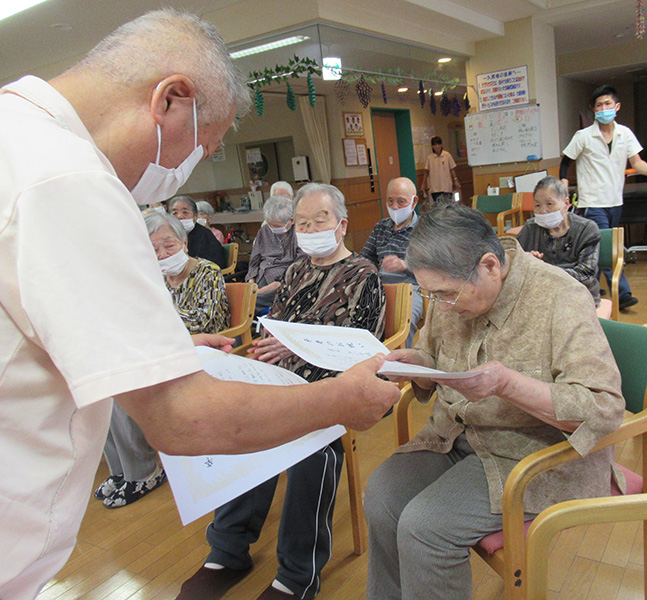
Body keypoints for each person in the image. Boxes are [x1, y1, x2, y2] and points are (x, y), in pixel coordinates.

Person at [0, 10, 398, 599]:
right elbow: (182, 416)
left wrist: (174, 349)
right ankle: (228, 550)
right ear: (171, 100)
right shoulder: (69, 181)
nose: (184, 171)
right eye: (202, 146)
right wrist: (341, 400)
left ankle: (295, 572)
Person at [364, 204, 624, 600]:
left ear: (490, 266)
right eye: (432, 295)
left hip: (532, 451)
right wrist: (416, 363)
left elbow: (602, 408)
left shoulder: (559, 296)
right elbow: (435, 357)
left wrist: (506, 384)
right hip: (456, 434)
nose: (442, 305)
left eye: (447, 294)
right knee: (381, 496)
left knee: (425, 526)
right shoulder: (448, 292)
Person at [179, 183, 385, 600]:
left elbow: (363, 345)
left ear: (341, 225)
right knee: (239, 428)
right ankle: (227, 551)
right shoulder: (294, 272)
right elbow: (275, 331)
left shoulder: (363, 273)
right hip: (281, 382)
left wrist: (294, 345)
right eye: (302, 223)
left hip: (332, 388)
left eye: (319, 221)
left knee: (314, 449)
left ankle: (297, 575)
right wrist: (259, 353)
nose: (309, 229)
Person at [98, 212, 231, 509]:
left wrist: (159, 315)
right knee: (103, 381)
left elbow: (204, 320)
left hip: (202, 350)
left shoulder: (206, 271)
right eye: (154, 250)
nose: (162, 254)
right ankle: (120, 469)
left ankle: (143, 472)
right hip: (163, 349)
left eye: (168, 245)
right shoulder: (154, 278)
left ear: (184, 241)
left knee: (125, 385)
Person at [560, 84, 647, 310]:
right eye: (599, 105)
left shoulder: (624, 133)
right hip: (592, 202)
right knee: (605, 248)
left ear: (617, 106)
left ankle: (586, 289)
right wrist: (563, 187)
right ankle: (622, 293)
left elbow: (636, 162)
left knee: (598, 250)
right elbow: (565, 161)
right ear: (593, 110)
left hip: (615, 202)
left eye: (607, 104)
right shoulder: (584, 136)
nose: (603, 108)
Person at [360, 176, 425, 347]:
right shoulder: (380, 227)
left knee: (401, 322)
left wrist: (405, 266)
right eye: (390, 201)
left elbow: (435, 267)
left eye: (401, 202)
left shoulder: (424, 229)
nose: (395, 207)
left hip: (414, 287)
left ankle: (403, 366)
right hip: (379, 285)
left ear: (414, 201)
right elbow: (365, 259)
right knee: (359, 317)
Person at [516, 176, 601, 306]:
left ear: (566, 204)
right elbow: (513, 262)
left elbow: (586, 276)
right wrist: (526, 260)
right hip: (542, 296)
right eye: (537, 205)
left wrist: (542, 269)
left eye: (549, 204)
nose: (543, 211)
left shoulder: (587, 229)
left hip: (579, 296)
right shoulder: (531, 227)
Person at [247, 195, 305, 313]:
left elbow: (299, 265)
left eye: (277, 226)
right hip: (262, 275)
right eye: (270, 224)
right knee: (243, 298)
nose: (272, 228)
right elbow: (254, 259)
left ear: (291, 220)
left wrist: (269, 287)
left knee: (249, 302)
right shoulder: (264, 231)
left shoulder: (300, 234)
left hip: (286, 280)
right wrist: (251, 282)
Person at [170, 194, 227, 268]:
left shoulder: (204, 235)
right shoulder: (169, 235)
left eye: (185, 212)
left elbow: (212, 265)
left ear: (195, 216)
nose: (179, 216)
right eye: (175, 213)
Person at [420, 135, 460, 202]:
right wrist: (423, 184)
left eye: (438, 144)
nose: (437, 146)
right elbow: (426, 171)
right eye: (435, 145)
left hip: (446, 186)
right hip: (435, 187)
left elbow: (452, 169)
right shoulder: (430, 158)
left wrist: (455, 180)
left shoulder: (447, 155)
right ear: (432, 146)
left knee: (448, 206)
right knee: (438, 207)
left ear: (441, 145)